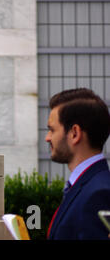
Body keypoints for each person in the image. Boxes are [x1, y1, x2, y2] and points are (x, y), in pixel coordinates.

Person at [45, 88, 110, 240]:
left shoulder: (98, 193)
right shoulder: (88, 186)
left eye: (52, 130)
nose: (47, 138)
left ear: (74, 133)